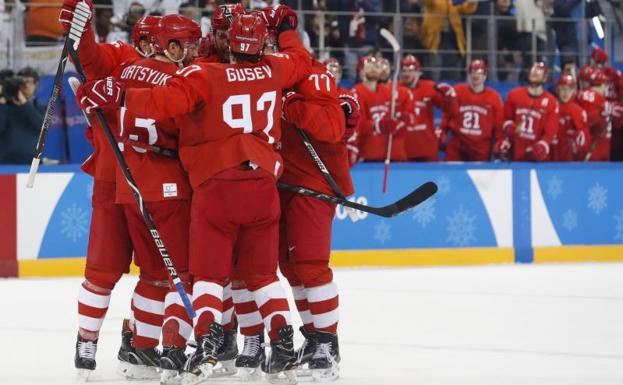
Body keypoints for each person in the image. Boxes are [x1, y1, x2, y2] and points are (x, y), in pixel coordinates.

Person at [76, 9, 312, 384]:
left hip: (210, 187)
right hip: (262, 186)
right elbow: (302, 62)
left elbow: (162, 103)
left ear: (227, 44)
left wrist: (118, 96)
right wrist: (285, 31)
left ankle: (199, 347)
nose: (195, 48)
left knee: (203, 276)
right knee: (263, 276)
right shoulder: (274, 69)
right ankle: (281, 343)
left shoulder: (202, 74)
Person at [59, 1, 177, 380]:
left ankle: (92, 341)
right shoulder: (172, 71)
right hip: (146, 185)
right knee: (147, 273)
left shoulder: (125, 62)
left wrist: (80, 30)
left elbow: (89, 58)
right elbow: (90, 56)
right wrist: (82, 32)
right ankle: (137, 345)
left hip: (122, 179)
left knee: (106, 272)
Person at [495, 62, 559, 162]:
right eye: (532, 70)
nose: (534, 72)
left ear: (545, 77)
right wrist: (509, 129)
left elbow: (550, 133)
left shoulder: (551, 102)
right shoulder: (514, 94)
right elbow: (505, 119)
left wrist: (542, 146)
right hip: (514, 153)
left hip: (535, 158)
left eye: (538, 71)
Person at [399, 54, 457, 161]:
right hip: (404, 148)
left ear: (418, 72)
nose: (407, 74)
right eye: (404, 70)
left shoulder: (429, 87)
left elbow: (448, 110)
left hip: (427, 147)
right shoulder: (395, 88)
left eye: (410, 70)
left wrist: (449, 98)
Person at [352, 54, 409, 162]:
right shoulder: (356, 92)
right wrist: (378, 125)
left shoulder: (387, 92)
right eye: (369, 66)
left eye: (375, 66)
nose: (373, 69)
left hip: (386, 154)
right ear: (361, 72)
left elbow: (395, 115)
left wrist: (401, 119)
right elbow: (357, 125)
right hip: (366, 154)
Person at [445, 59, 504, 161]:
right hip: (458, 145)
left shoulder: (494, 97)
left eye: (479, 72)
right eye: (473, 72)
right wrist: (442, 131)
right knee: (449, 174)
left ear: (485, 76)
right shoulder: (458, 91)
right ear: (468, 74)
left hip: (480, 147)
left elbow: (499, 124)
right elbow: (447, 114)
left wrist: (500, 141)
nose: (476, 75)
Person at [325, 57, 360, 165]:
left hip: (341, 146)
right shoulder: (316, 92)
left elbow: (356, 122)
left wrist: (351, 146)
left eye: (337, 72)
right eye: (330, 71)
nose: (334, 75)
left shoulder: (348, 94)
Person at [552, 74, 589, 161]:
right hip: (551, 157)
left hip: (569, 160)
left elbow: (584, 138)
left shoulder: (577, 111)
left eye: (569, 89)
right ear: (557, 90)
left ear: (574, 91)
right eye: (563, 89)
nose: (566, 93)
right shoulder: (551, 106)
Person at [576, 68, 610, 161]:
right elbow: (584, 121)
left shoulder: (603, 99)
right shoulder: (590, 96)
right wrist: (599, 114)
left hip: (601, 151)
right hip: (592, 152)